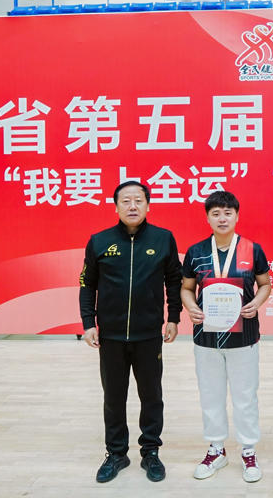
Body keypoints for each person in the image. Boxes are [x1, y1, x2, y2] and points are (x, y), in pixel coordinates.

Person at [79, 180, 182, 484]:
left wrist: (174, 317)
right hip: (110, 335)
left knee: (151, 396)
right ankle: (116, 453)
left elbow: (173, 280)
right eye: (126, 201)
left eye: (139, 200)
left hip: (148, 334)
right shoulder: (100, 241)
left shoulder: (163, 238)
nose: (133, 206)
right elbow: (87, 284)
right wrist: (88, 322)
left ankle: (150, 452)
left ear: (148, 205)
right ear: (116, 207)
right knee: (114, 396)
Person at [180, 191, 271, 483]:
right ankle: (216, 449)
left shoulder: (253, 249)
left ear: (237, 216)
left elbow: (265, 284)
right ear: (207, 218)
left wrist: (257, 303)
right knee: (211, 395)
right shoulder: (195, 252)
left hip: (244, 335)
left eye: (227, 213)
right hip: (206, 336)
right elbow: (186, 288)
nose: (222, 218)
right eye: (216, 213)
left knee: (245, 396)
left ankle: (248, 450)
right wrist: (191, 307)